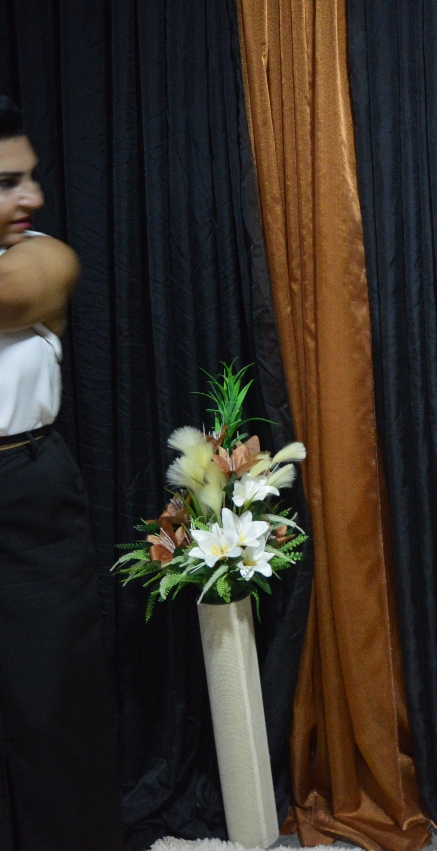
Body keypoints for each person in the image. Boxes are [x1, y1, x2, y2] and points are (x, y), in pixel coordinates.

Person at [0, 95, 122, 850]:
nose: (33, 196)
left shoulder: (43, 257)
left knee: (52, 707)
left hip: (24, 498)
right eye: (7, 182)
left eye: (29, 176)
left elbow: (13, 296)